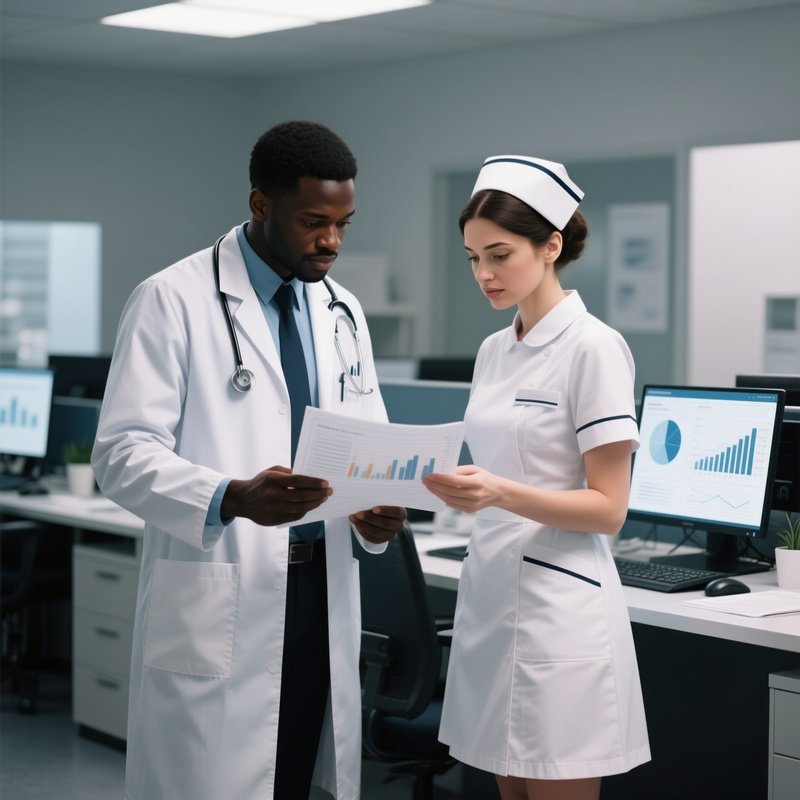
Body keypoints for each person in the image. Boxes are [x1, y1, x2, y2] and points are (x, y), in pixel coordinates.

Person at [92, 120, 406, 800]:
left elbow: (371, 443)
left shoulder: (341, 310)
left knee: (295, 770)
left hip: (320, 587)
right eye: (313, 222)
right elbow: (119, 455)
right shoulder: (171, 300)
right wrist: (231, 497)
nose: (331, 242)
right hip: (220, 588)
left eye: (345, 224)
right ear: (261, 205)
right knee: (214, 778)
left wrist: (375, 513)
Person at [422, 155, 650, 800]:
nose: (484, 274)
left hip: (560, 611)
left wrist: (497, 492)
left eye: (499, 254)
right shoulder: (495, 349)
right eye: (471, 258)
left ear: (551, 245)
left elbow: (609, 508)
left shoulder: (593, 347)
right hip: (492, 598)